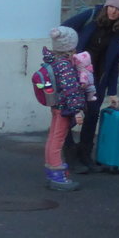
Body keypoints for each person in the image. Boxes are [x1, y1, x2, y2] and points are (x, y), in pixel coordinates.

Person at [61, 0, 119, 173]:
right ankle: (69, 154)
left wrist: (113, 91)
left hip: (98, 78)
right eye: (112, 7)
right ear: (107, 4)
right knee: (69, 115)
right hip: (76, 74)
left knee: (92, 116)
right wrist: (69, 52)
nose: (113, 11)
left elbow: (114, 61)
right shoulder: (91, 15)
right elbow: (64, 28)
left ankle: (85, 154)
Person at [43, 27, 87, 192]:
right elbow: (71, 90)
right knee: (58, 140)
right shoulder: (65, 65)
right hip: (64, 108)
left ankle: (50, 171)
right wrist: (77, 110)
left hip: (56, 106)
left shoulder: (53, 60)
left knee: (52, 138)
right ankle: (58, 175)